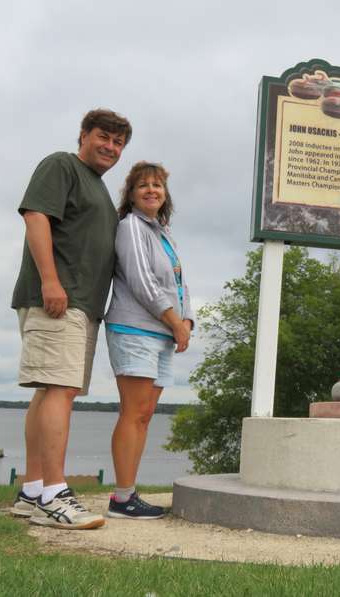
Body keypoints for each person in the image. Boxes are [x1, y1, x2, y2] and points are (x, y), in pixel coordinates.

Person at [10, 109, 132, 529]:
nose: (110, 148)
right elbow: (36, 216)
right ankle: (54, 496)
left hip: (82, 305)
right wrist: (50, 281)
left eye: (118, 143)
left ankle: (32, 490)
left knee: (51, 392)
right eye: (104, 137)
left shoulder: (98, 188)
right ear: (84, 135)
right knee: (58, 389)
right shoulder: (62, 165)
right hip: (58, 299)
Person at [103, 162, 195, 519]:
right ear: (131, 193)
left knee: (144, 416)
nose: (152, 190)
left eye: (158, 185)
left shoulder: (163, 233)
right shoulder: (130, 227)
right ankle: (122, 498)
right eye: (143, 185)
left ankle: (128, 493)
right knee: (133, 413)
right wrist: (175, 322)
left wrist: (187, 321)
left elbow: (179, 283)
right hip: (134, 330)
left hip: (162, 333)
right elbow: (142, 282)